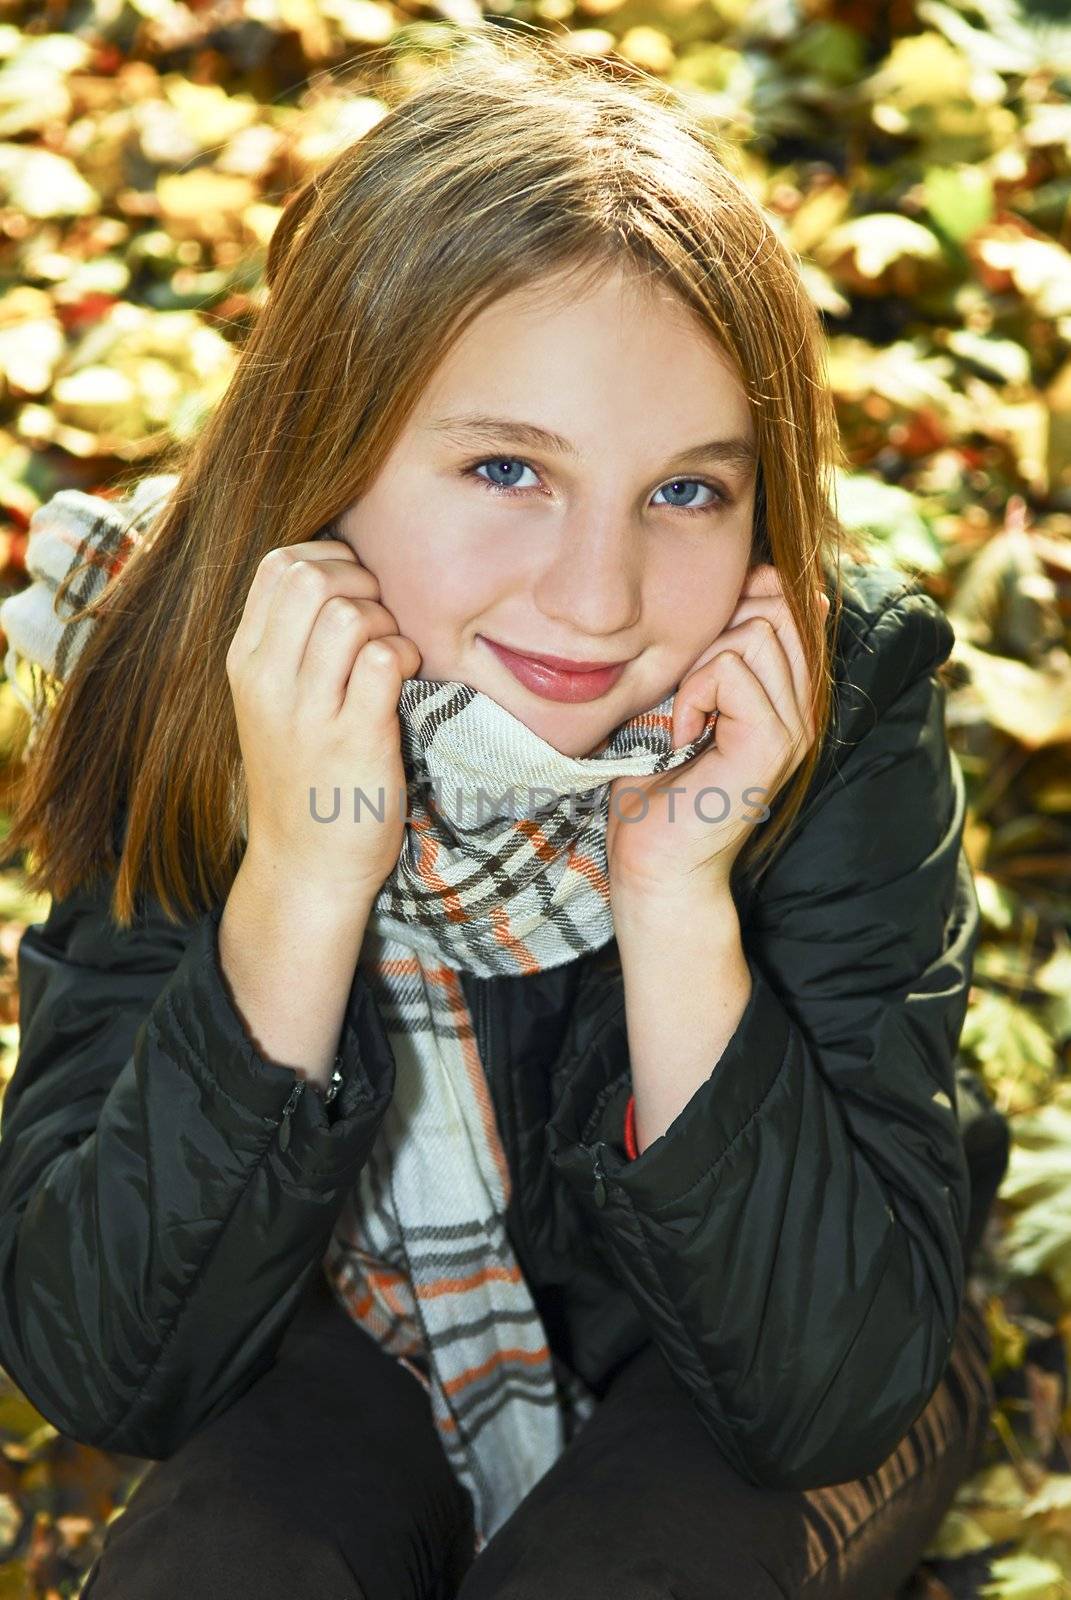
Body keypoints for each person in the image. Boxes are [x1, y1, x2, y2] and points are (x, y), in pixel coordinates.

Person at [0, 26, 1009, 1600]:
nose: (599, 600)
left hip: (776, 1352)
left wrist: (679, 892)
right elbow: (111, 1362)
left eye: (687, 489)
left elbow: (829, 1382)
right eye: (505, 469)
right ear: (322, 456)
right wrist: (307, 863)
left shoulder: (831, 693)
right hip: (346, 1333)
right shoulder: (199, 660)